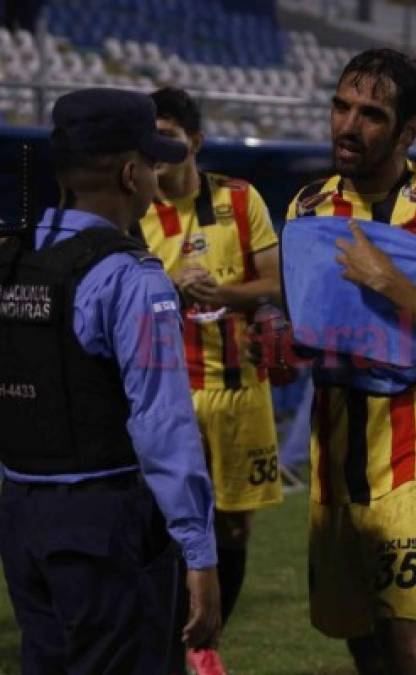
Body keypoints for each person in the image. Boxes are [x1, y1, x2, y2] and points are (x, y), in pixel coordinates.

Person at [284, 48, 416, 675]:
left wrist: (390, 281)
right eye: (341, 106)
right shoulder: (309, 207)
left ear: (408, 131)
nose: (348, 126)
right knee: (362, 642)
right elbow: (311, 330)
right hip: (337, 457)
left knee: (413, 655)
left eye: (372, 114)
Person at [0, 88, 221, 674]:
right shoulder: (131, 278)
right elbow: (163, 422)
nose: (156, 176)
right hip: (106, 527)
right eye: (152, 163)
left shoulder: (12, 257)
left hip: (22, 517)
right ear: (130, 173)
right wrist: (199, 554)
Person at [136, 87, 282, 675]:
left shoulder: (240, 200)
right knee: (163, 522)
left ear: (194, 141)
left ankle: (204, 642)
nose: (160, 145)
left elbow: (273, 283)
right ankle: (170, 642)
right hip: (167, 392)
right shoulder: (136, 212)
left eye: (169, 133)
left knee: (234, 527)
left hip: (239, 391)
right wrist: (171, 289)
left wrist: (222, 294)